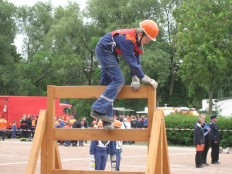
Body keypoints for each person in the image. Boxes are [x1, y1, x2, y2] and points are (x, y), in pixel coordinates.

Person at [90, 19, 159, 129]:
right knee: (119, 80)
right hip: (104, 51)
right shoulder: (127, 40)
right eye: (148, 39)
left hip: (111, 53)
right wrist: (148, 79)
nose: (148, 42)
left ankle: (106, 120)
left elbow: (136, 61)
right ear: (141, 34)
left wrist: (134, 77)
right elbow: (131, 62)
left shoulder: (136, 41)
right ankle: (97, 109)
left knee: (107, 85)